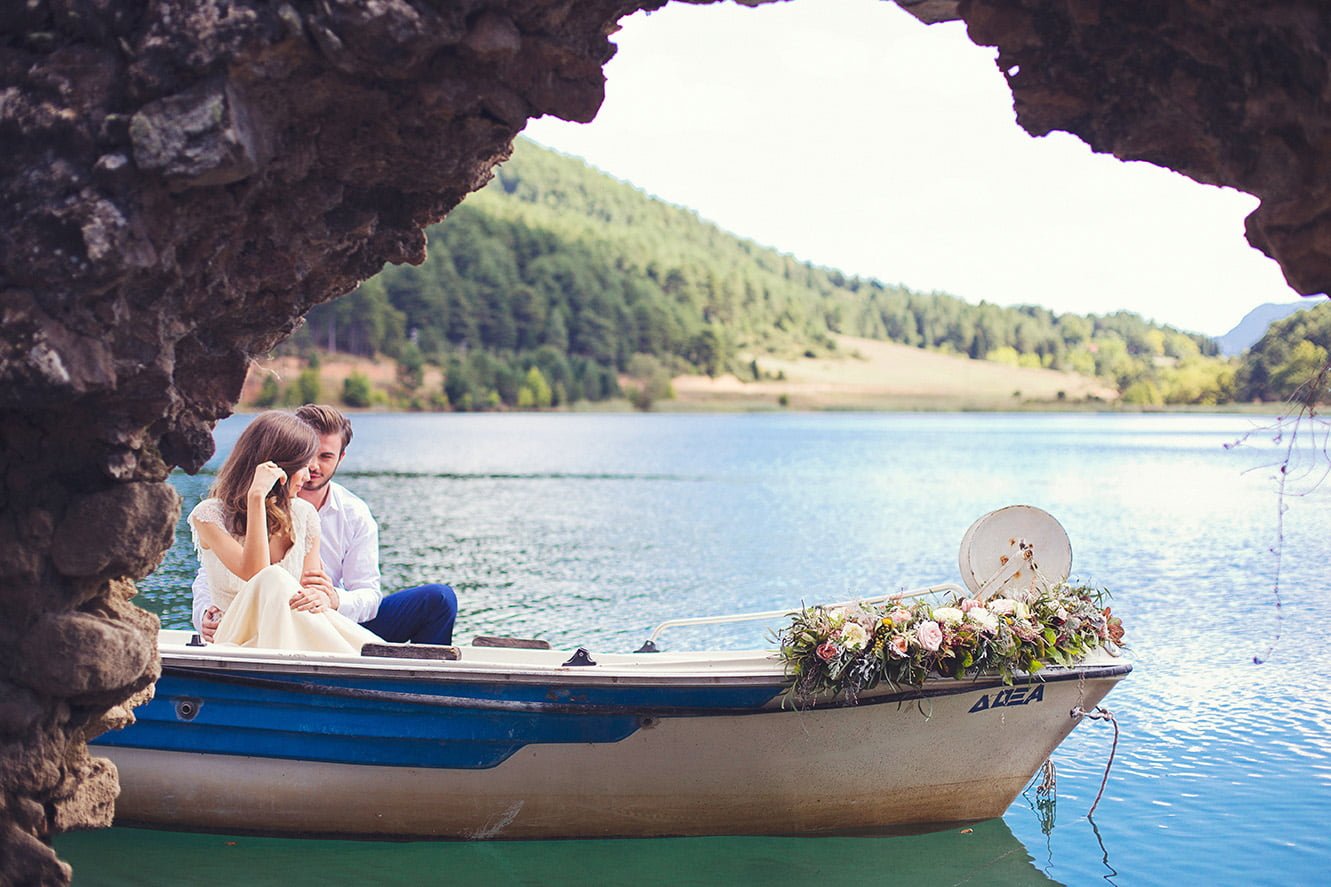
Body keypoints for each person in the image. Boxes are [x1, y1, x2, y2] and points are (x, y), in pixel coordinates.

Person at [193, 404, 458, 646]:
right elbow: (220, 575)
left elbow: (366, 593)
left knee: (439, 599)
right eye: (307, 459)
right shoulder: (212, 515)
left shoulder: (337, 514)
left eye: (325, 457)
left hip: (322, 620)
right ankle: (366, 661)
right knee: (273, 579)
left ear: (340, 458)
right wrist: (206, 612)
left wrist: (332, 599)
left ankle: (413, 679)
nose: (313, 469)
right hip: (251, 628)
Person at [187, 411, 380, 653]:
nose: (309, 476)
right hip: (236, 636)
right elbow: (256, 574)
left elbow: (306, 593)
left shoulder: (304, 515)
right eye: (303, 467)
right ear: (279, 469)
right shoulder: (209, 515)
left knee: (289, 592)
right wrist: (256, 497)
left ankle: (366, 659)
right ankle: (357, 661)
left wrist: (319, 596)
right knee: (274, 578)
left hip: (293, 633)